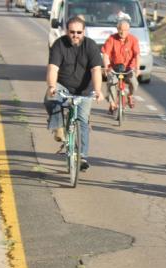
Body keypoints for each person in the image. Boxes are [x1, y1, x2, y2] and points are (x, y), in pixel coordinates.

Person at [44, 16, 104, 172]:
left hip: (85, 90)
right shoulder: (59, 44)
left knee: (83, 121)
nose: (75, 35)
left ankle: (82, 156)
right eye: (72, 32)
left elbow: (96, 70)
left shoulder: (90, 46)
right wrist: (51, 86)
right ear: (66, 31)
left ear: (84, 32)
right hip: (63, 86)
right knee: (50, 98)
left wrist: (98, 90)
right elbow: (53, 68)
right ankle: (58, 127)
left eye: (79, 32)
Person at [102, 19, 140, 113]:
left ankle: (130, 95)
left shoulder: (133, 39)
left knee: (134, 83)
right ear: (117, 29)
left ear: (129, 30)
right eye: (120, 29)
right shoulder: (111, 39)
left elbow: (137, 55)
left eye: (125, 30)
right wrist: (107, 67)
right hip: (114, 68)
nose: (123, 32)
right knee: (111, 82)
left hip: (128, 68)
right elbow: (106, 54)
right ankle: (112, 103)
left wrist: (137, 69)